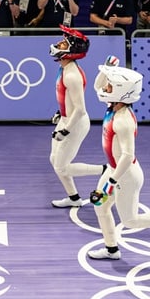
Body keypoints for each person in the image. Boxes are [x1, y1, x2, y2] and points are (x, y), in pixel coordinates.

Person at [87, 62, 150, 260]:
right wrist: (105, 69)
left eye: (110, 86)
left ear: (120, 91)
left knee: (131, 220)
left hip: (125, 176)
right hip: (115, 170)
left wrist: (112, 182)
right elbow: (96, 87)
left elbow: (127, 155)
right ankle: (112, 249)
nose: (105, 88)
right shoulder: (114, 105)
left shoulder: (123, 120)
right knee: (100, 206)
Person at [49, 25, 105, 208]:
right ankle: (74, 199)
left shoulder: (72, 75)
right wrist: (61, 112)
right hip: (67, 119)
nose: (59, 44)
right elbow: (69, 100)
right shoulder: (65, 68)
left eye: (64, 43)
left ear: (72, 51)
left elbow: (80, 109)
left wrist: (65, 130)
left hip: (75, 124)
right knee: (54, 160)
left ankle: (105, 170)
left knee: (61, 166)